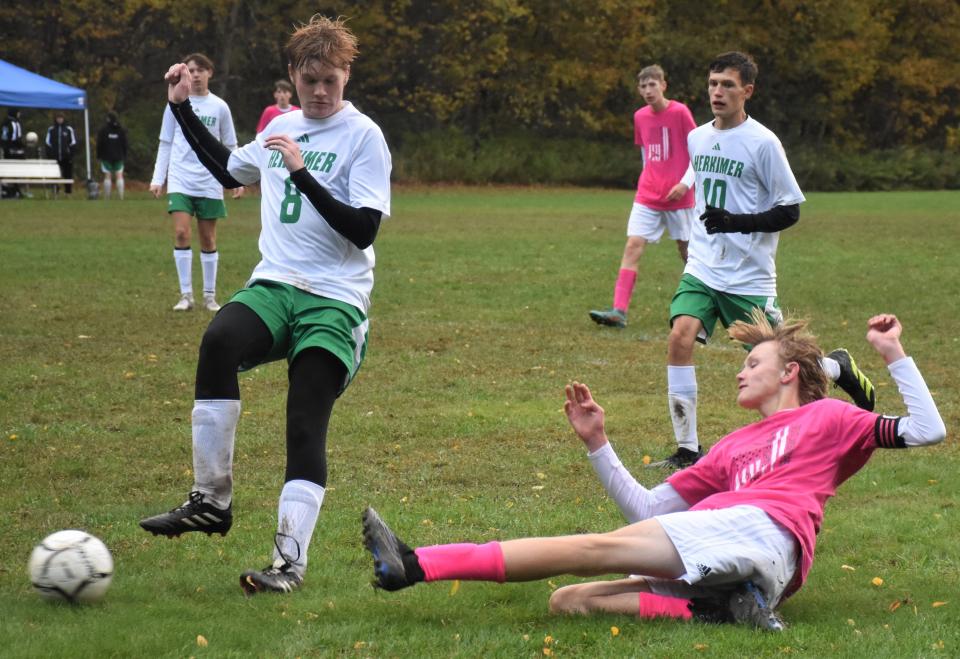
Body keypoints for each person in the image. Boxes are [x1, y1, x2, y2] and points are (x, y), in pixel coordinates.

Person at [362, 312, 945, 630]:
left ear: (790, 372)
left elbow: (926, 429)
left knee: (592, 548)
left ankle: (416, 565)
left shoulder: (828, 416)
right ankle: (720, 609)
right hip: (759, 568)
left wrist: (893, 354)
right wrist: (598, 444)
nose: (740, 373)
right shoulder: (730, 449)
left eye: (752, 362)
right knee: (571, 600)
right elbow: (647, 511)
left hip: (759, 534)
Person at [139, 15, 392, 597]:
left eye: (331, 80)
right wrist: (178, 108)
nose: (321, 92)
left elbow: (363, 230)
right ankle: (211, 500)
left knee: (304, 422)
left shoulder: (363, 136)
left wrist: (302, 175)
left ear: (347, 74)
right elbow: (228, 165)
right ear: (293, 77)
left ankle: (287, 564)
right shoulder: (281, 125)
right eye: (311, 81)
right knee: (219, 340)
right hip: (275, 284)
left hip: (335, 299)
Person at [653, 51, 875, 469]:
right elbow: (703, 183)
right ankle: (687, 449)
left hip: (748, 277)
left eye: (728, 85)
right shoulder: (697, 137)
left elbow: (790, 210)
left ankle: (836, 367)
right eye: (713, 84)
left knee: (791, 365)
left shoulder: (764, 142)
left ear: (747, 91)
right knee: (680, 336)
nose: (718, 92)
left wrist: (735, 222)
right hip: (703, 267)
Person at [589, 65, 696, 329]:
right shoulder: (640, 116)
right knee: (633, 245)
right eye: (643, 86)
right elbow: (647, 153)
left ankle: (700, 308)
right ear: (639, 90)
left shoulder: (680, 112)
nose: (648, 90)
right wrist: (649, 178)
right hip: (648, 195)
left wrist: (684, 184)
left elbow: (699, 151)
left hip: (679, 198)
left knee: (689, 253)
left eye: (653, 85)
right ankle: (618, 311)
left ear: (664, 85)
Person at [149, 52, 243, 312]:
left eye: (201, 69)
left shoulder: (220, 107)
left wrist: (237, 179)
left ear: (210, 73)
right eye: (191, 69)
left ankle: (209, 296)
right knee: (181, 233)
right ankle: (186, 295)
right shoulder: (175, 104)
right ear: (185, 74)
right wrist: (159, 178)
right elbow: (166, 142)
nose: (197, 73)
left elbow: (230, 144)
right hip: (180, 178)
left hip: (210, 180)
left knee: (209, 239)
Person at [96, 111, 128, 200]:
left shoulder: (103, 130)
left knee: (107, 175)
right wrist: (124, 155)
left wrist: (99, 155)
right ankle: (121, 197)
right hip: (119, 156)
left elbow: (99, 144)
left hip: (106, 157)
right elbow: (125, 144)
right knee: (119, 175)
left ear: (108, 119)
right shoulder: (121, 129)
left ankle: (107, 198)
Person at [44, 112, 78, 194]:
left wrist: (71, 155)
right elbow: (47, 143)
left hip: (66, 157)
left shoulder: (68, 129)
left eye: (61, 118)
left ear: (64, 119)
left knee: (68, 174)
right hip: (54, 157)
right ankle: (55, 190)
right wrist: (50, 154)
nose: (59, 120)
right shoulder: (51, 129)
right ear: (56, 119)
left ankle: (68, 191)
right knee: (54, 174)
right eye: (58, 118)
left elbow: (73, 143)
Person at [1, 108, 26, 198]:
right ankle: (15, 191)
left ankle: (9, 190)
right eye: (18, 113)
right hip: (14, 152)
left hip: (6, 150)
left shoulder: (4, 123)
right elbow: (16, 138)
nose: (19, 114)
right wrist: (23, 146)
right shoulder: (14, 123)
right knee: (16, 171)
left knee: (8, 171)